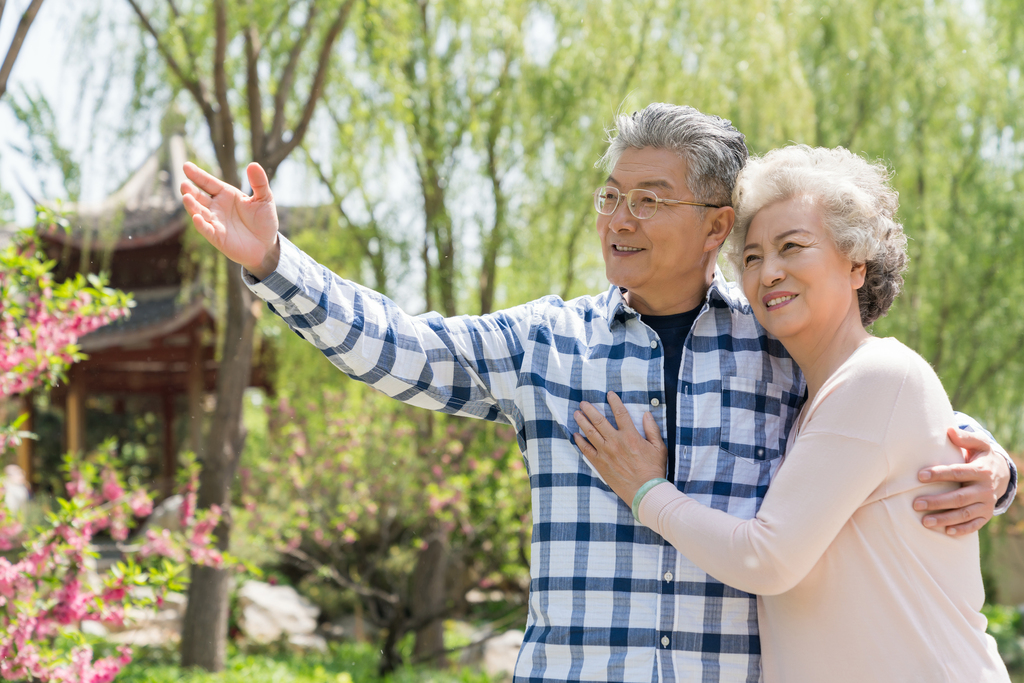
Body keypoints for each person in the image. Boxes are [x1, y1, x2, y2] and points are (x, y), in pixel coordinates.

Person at [179, 103, 1016, 683]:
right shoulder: (547, 344)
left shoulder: (777, 347)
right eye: (611, 195)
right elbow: (406, 348)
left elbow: (877, 409)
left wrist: (988, 462)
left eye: (650, 200)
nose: (620, 218)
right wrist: (276, 264)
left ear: (716, 228)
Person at [575, 145, 1012, 681]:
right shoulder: (814, 403)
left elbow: (767, 560)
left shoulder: (879, 376)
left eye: (793, 247)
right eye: (754, 257)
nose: (769, 273)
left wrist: (647, 492)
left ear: (856, 263)